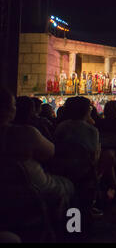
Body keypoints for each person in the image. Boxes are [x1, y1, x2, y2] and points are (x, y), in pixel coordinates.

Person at [0, 89, 74, 227]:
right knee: (69, 185)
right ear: (10, 110)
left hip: (6, 192)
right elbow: (50, 152)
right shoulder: (26, 133)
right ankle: (71, 229)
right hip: (30, 190)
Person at [51, 96, 102, 213]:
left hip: (63, 169)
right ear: (86, 111)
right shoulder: (91, 130)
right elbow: (94, 157)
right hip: (83, 172)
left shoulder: (62, 126)